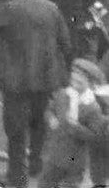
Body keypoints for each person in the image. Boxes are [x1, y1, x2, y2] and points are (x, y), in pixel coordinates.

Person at [0, 0, 72, 188]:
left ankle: (17, 177)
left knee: (16, 130)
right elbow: (65, 43)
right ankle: (36, 165)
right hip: (46, 77)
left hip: (16, 78)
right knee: (39, 124)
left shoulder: (10, 9)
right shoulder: (51, 7)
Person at [37, 59, 106, 188]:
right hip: (54, 154)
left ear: (90, 83)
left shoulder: (92, 107)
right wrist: (51, 118)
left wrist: (76, 127)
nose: (75, 82)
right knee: (44, 183)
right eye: (74, 77)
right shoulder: (63, 94)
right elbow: (49, 109)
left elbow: (94, 135)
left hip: (74, 160)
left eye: (80, 80)